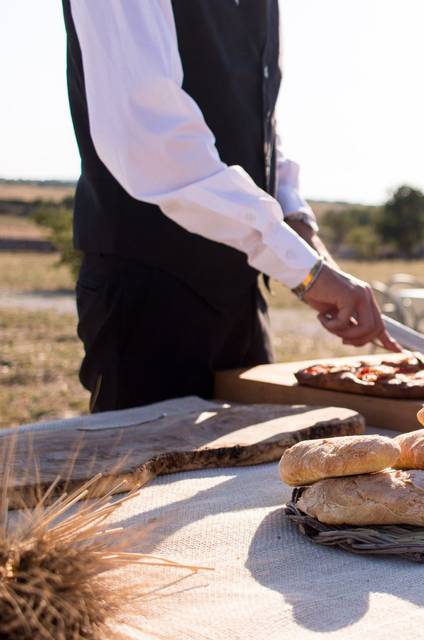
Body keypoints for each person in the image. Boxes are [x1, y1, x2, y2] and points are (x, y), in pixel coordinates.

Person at [62, 1, 399, 412]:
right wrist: (303, 271)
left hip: (241, 297)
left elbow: (259, 122)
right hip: (148, 299)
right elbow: (153, 139)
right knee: (147, 473)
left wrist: (299, 230)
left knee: (256, 469)